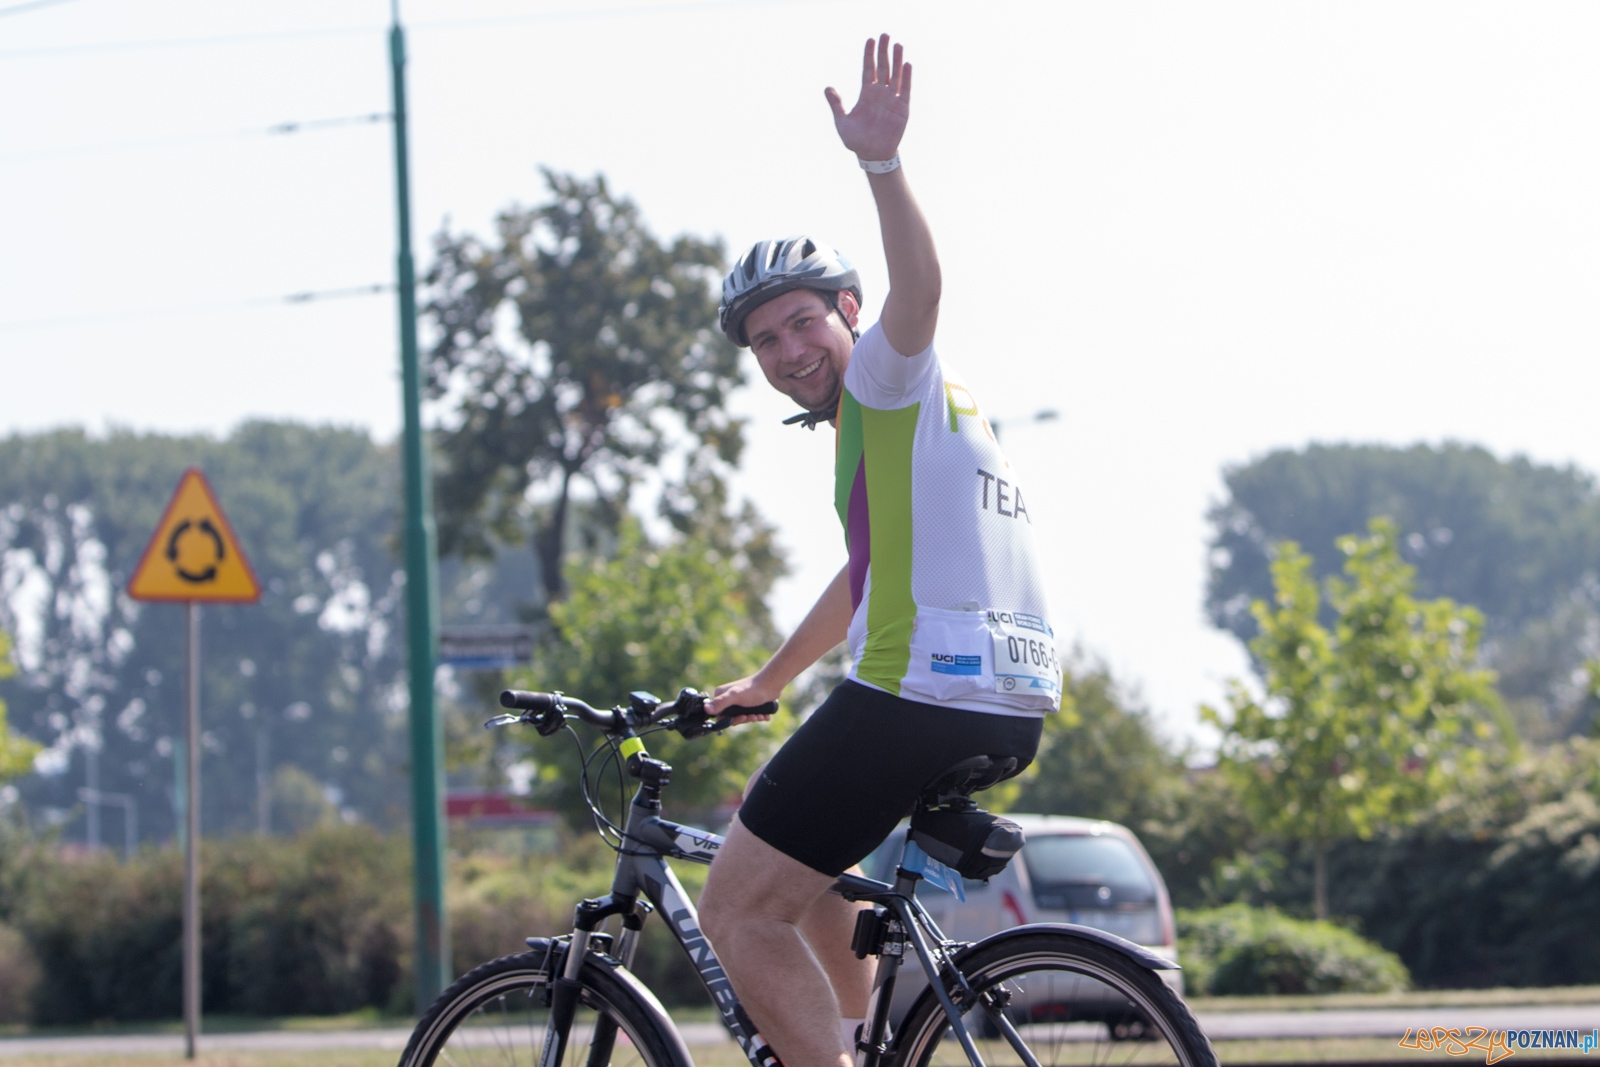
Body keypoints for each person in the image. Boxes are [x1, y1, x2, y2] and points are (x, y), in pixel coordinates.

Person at [698, 34, 1061, 1067]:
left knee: (736, 910)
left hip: (919, 690)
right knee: (803, 877)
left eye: (802, 321)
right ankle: (860, 1044)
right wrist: (770, 677)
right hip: (1009, 696)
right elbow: (861, 575)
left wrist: (881, 166)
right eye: (764, 341)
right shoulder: (912, 426)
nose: (786, 351)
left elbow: (922, 289)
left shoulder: (886, 383)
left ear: (847, 313)